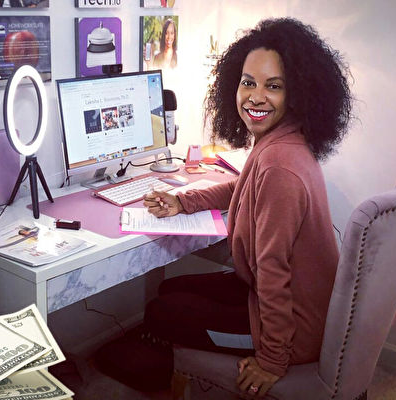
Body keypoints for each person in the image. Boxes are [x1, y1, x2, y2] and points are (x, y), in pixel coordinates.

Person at [143, 18, 353, 396]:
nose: (255, 97)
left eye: (274, 86)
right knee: (169, 288)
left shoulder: (279, 166)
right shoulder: (281, 141)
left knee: (160, 313)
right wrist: (183, 201)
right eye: (248, 82)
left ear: (298, 93)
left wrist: (273, 359)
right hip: (275, 298)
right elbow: (240, 187)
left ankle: (168, 374)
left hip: (293, 330)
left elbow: (273, 272)